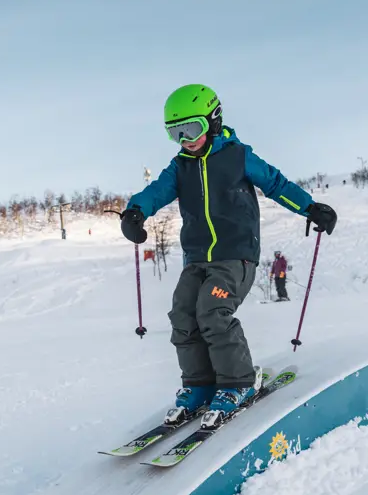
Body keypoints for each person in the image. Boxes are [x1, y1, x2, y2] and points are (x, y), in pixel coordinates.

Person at [119, 84, 337, 415]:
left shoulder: (238, 156)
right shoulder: (180, 166)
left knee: (212, 312)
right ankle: (199, 384)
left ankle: (238, 383)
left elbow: (275, 183)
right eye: (175, 133)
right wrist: (135, 212)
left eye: (191, 129)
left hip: (236, 255)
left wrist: (310, 208)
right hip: (196, 258)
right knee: (183, 314)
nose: (185, 139)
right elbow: (156, 192)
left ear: (214, 119)